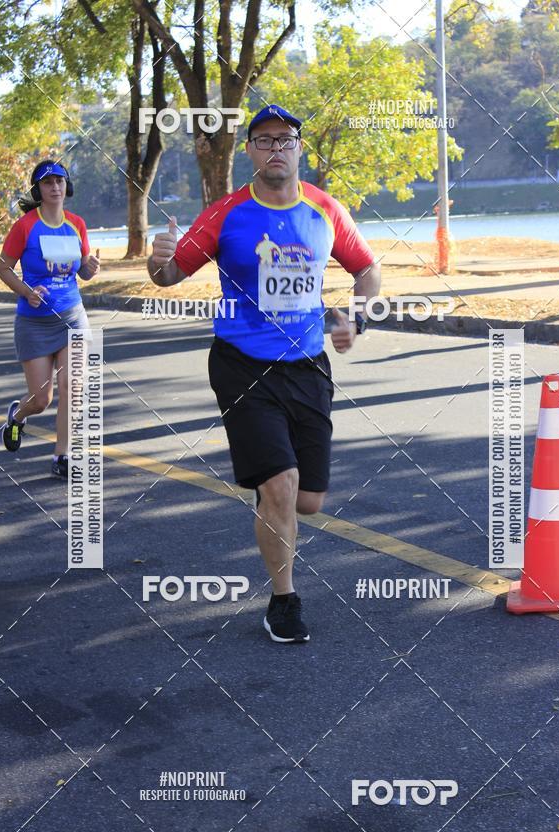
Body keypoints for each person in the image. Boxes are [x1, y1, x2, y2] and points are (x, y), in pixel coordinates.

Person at [147, 104, 381, 643]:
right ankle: (284, 601)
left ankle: (271, 495)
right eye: (265, 140)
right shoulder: (226, 212)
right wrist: (156, 259)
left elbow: (367, 269)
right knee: (281, 483)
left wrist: (357, 318)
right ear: (250, 150)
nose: (276, 148)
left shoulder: (325, 210)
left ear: (299, 148)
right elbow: (169, 273)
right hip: (241, 366)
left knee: (308, 500)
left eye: (286, 139)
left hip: (308, 367)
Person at [0, 160, 100, 479]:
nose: (55, 187)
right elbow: (2, 267)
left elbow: (80, 270)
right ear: (38, 189)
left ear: (66, 186)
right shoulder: (26, 226)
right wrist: (26, 291)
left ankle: (62, 456)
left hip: (72, 316)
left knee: (72, 386)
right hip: (34, 323)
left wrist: (90, 267)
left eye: (59, 181)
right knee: (41, 399)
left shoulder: (77, 224)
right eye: (47, 182)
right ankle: (17, 417)